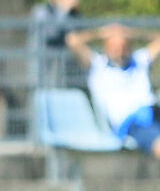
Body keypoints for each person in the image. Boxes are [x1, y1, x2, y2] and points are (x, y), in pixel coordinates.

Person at [68, 23, 160, 154]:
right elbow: (73, 41)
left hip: (153, 112)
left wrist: (132, 33)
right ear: (106, 48)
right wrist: (100, 33)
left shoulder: (139, 60)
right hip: (131, 124)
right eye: (114, 47)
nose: (119, 51)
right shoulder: (97, 66)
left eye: (123, 46)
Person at [33, 0, 81, 90]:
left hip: (68, 80)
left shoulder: (72, 14)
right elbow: (50, 33)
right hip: (45, 79)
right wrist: (64, 11)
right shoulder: (41, 11)